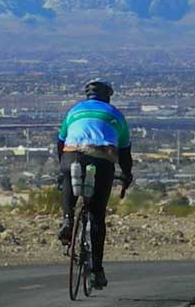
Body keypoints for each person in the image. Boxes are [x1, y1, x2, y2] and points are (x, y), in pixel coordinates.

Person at [56, 79, 133, 289]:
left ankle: (67, 220)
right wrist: (127, 175)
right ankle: (97, 270)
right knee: (97, 215)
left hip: (71, 155)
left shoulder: (74, 110)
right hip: (102, 158)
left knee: (68, 180)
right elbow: (125, 152)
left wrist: (61, 168)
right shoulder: (115, 114)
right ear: (108, 96)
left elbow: (60, 141)